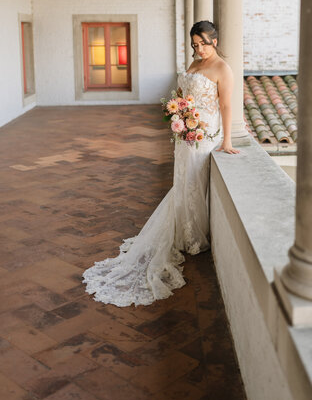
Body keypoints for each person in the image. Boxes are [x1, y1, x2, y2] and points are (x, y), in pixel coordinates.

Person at [82, 20, 239, 307]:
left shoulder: (222, 69)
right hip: (185, 134)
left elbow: (227, 105)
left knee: (192, 183)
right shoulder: (194, 64)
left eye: (203, 43)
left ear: (215, 41)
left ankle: (191, 235)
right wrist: (179, 111)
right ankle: (183, 231)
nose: (199, 49)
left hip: (204, 136)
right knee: (183, 182)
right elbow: (183, 96)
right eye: (195, 45)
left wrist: (227, 141)